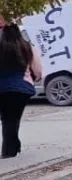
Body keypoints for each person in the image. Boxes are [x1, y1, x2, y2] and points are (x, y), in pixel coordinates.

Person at [0, 21, 42, 159]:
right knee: (11, 119)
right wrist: (36, 77)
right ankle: (10, 149)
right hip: (21, 88)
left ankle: (12, 146)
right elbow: (37, 69)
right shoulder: (26, 47)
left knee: (7, 118)